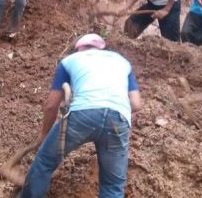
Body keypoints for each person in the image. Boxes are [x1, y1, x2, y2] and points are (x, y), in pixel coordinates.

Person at [20, 33, 142, 198]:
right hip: (118, 119)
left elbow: (51, 105)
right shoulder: (122, 62)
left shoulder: (70, 61)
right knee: (113, 186)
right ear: (101, 49)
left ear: (79, 49)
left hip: (83, 115)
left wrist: (43, 135)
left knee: (45, 162)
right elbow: (136, 104)